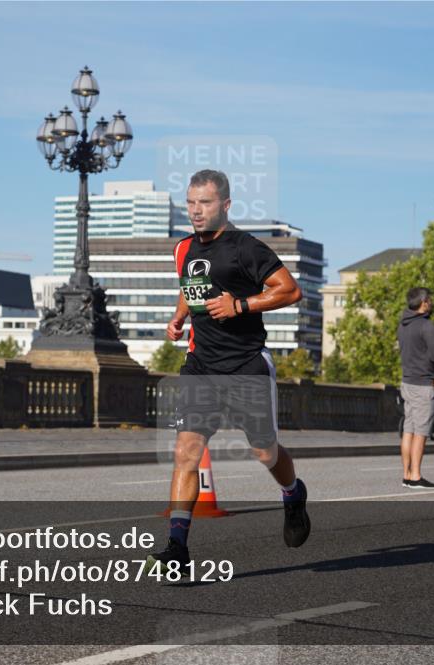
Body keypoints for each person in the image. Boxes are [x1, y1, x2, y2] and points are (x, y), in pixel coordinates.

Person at [146, 169, 310, 572]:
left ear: (226, 205)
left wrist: (240, 305)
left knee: (264, 451)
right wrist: (179, 318)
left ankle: (292, 493)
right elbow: (190, 287)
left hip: (245, 364)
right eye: (191, 202)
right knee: (186, 451)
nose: (197, 211)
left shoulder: (245, 248)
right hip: (201, 365)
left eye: (205, 203)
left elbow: (289, 289)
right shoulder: (183, 249)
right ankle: (177, 549)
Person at [397, 287, 434, 489]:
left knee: (409, 430)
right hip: (424, 384)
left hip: (407, 382)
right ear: (424, 302)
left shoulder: (403, 324)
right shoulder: (427, 326)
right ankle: (416, 476)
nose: (431, 303)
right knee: (421, 432)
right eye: (430, 300)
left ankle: (406, 475)